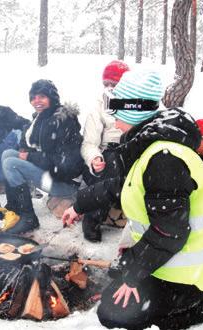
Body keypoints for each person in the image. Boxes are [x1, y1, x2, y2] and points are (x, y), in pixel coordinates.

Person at [62, 70, 203, 329]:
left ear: (133, 110)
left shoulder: (163, 158)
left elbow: (169, 232)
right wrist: (79, 204)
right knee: (119, 274)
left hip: (194, 270)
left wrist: (133, 276)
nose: (113, 120)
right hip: (174, 256)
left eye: (117, 109)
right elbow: (123, 186)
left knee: (114, 313)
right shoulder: (152, 146)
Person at [1, 79, 84, 233]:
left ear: (52, 97)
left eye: (42, 97)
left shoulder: (63, 121)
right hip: (53, 175)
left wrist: (30, 157)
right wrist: (26, 151)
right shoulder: (42, 118)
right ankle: (14, 206)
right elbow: (32, 145)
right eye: (33, 97)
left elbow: (63, 164)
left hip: (67, 184)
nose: (36, 101)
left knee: (11, 164)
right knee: (7, 154)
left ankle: (29, 218)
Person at [80, 59, 130, 242]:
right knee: (112, 165)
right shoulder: (98, 106)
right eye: (106, 84)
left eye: (114, 84)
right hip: (108, 152)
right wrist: (94, 158)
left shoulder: (136, 103)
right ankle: (93, 218)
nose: (109, 88)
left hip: (132, 147)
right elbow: (89, 143)